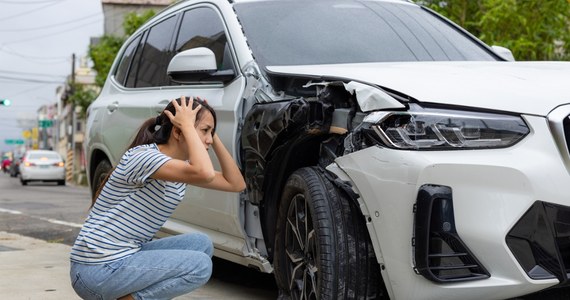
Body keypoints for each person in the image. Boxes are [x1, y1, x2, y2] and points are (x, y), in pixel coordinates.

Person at [70, 96, 246, 300]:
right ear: (178, 131)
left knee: (200, 243)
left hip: (121, 259)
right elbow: (204, 172)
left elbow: (236, 183)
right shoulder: (145, 157)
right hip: (95, 268)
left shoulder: (179, 169)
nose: (208, 138)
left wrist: (210, 134)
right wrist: (190, 126)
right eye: (205, 131)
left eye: (211, 133)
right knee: (199, 265)